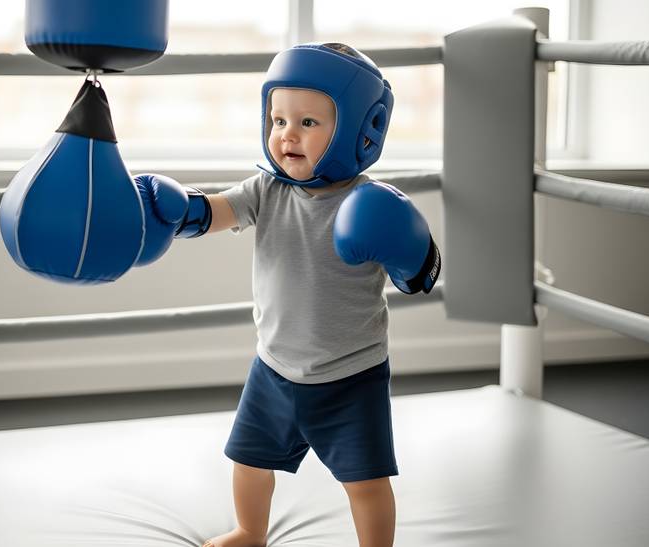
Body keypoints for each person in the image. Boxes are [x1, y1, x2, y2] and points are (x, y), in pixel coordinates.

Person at [133, 42, 440, 547]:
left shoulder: (367, 204)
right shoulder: (266, 189)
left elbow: (419, 276)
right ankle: (251, 531)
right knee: (249, 462)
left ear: (361, 132)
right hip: (274, 367)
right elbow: (220, 211)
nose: (287, 135)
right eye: (279, 121)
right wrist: (182, 210)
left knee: (365, 483)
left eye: (308, 124)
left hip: (351, 374)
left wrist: (411, 246)